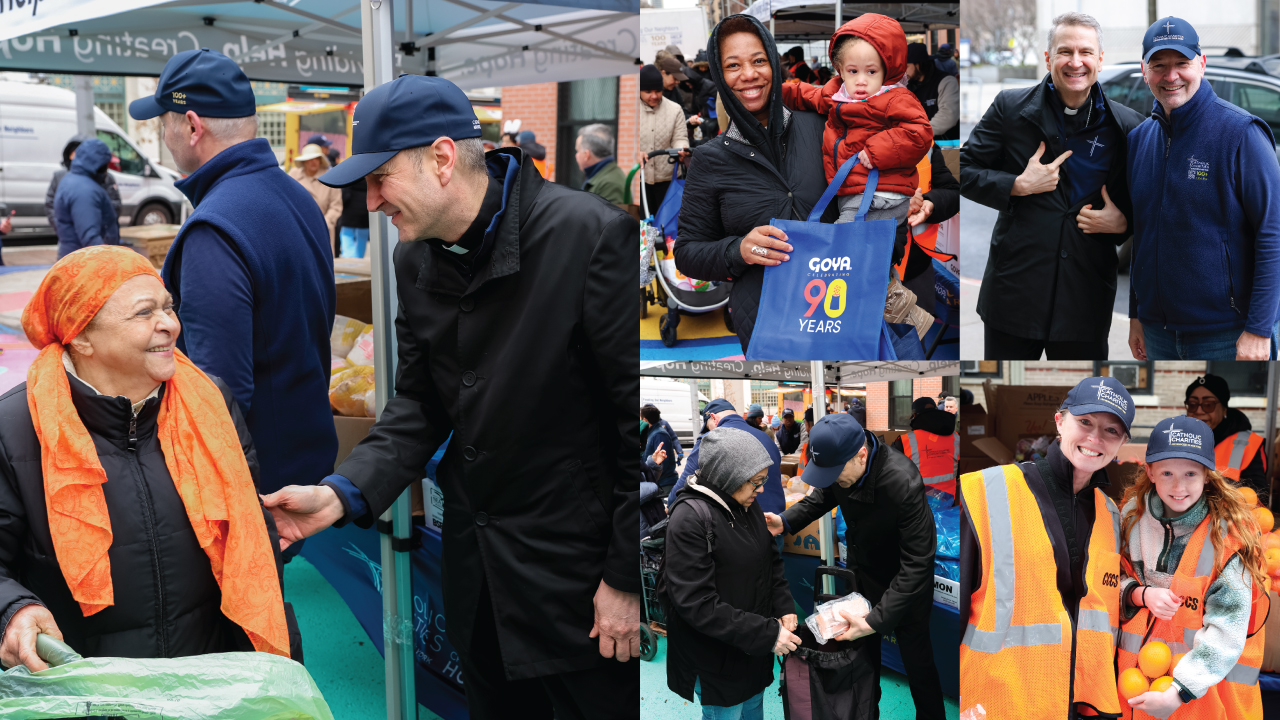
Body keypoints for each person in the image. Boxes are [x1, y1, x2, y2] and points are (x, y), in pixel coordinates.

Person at [259, 73, 639, 719]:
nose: (371, 201)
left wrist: (625, 580)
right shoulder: (414, 261)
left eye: (380, 179)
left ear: (440, 158)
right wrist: (342, 492)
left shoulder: (589, 236)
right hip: (479, 577)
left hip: (576, 581)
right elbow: (419, 404)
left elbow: (630, 426)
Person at [0, 246, 300, 672]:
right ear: (81, 335)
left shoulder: (210, 401)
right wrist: (12, 611)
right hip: (86, 689)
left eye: (169, 307)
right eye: (144, 313)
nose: (170, 326)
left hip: (210, 678)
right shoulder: (14, 427)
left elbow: (252, 535)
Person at [127, 48, 337, 498]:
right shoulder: (298, 197)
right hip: (303, 454)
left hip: (249, 483)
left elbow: (218, 388)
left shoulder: (215, 228)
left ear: (192, 125)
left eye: (164, 121)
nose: (164, 134)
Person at [961, 12, 1146, 359]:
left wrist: (1124, 224)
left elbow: (1149, 203)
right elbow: (962, 168)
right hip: (1014, 294)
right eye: (1064, 51)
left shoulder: (1128, 126)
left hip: (1085, 299)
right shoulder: (1009, 108)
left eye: (1086, 52)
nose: (1075, 62)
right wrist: (1016, 184)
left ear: (1100, 60)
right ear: (1048, 58)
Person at [958, 376, 1134, 718]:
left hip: (1080, 702)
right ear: (1059, 421)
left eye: (1111, 431)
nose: (1095, 438)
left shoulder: (1110, 513)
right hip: (999, 702)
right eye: (1085, 422)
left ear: (1122, 442)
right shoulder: (986, 491)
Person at [764, 413, 944, 719]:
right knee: (864, 661)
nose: (832, 479)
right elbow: (821, 497)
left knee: (919, 665)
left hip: (906, 587)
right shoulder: (842, 468)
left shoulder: (903, 481)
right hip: (865, 579)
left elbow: (917, 563)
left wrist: (875, 621)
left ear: (861, 455)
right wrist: (784, 521)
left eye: (834, 472)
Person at [674, 14, 834, 351]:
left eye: (759, 60)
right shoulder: (710, 159)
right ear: (719, 74)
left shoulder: (821, 127)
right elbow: (687, 253)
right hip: (765, 318)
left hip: (839, 308)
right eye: (733, 65)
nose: (749, 74)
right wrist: (738, 250)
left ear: (774, 65)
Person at [1127, 16, 1280, 362]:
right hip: (1157, 334)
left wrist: (1259, 329)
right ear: (1144, 70)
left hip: (1229, 334)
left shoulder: (1242, 134)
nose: (1171, 76)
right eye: (1159, 65)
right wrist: (1137, 313)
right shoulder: (1139, 141)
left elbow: (1273, 235)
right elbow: (1144, 233)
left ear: (1202, 63)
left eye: (1182, 63)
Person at [780, 15, 934, 336]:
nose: (861, 81)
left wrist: (877, 148)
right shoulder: (838, 94)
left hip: (882, 191)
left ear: (888, 70)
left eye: (871, 72)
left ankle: (878, 306)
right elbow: (807, 94)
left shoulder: (895, 97)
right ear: (840, 70)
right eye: (853, 72)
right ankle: (899, 302)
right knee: (866, 253)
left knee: (844, 245)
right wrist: (778, 92)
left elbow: (919, 133)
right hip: (859, 190)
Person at [1115, 415, 1267, 719]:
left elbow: (1228, 625)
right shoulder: (1131, 517)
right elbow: (1108, 579)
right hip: (1135, 688)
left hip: (1198, 695)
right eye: (1167, 472)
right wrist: (1138, 594)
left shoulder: (1228, 534)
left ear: (1207, 476)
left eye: (1190, 474)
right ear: (1150, 471)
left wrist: (1179, 691)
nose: (1178, 486)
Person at [664, 426, 798, 720]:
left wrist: (784, 605)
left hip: (752, 650)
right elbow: (697, 604)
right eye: (756, 482)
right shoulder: (690, 519)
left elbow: (770, 559)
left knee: (752, 709)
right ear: (729, 476)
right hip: (717, 659)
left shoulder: (744, 502)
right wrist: (767, 633)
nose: (761, 489)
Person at [666, 399, 783, 525]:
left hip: (743, 525)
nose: (710, 433)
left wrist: (669, 505)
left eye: (707, 427)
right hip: (776, 519)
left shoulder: (711, 441)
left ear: (713, 418)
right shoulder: (766, 437)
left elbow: (684, 484)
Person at [1184, 374, 1268, 505]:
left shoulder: (1247, 443)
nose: (1199, 410)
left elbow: (1259, 497)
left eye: (1208, 404)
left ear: (1224, 409)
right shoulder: (1177, 438)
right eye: (1192, 404)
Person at [45, 134, 122, 246]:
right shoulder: (85, 189)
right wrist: (106, 260)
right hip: (87, 257)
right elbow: (89, 236)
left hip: (76, 253)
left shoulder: (73, 180)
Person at [638, 64, 690, 213]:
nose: (654, 96)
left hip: (668, 179)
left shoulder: (675, 109)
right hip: (640, 180)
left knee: (666, 224)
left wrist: (681, 149)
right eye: (648, 92)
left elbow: (680, 137)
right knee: (644, 224)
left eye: (658, 91)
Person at [891, 397, 958, 488]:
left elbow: (893, 473)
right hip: (947, 498)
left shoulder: (904, 441)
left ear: (914, 415)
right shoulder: (956, 437)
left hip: (918, 499)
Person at [289, 143, 344, 250]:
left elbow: (336, 206)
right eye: (309, 159)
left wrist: (323, 223)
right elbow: (287, 203)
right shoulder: (293, 176)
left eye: (317, 158)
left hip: (323, 231)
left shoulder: (330, 177)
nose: (313, 162)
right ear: (304, 161)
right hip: (299, 231)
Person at [905, 42, 959, 143]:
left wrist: (919, 133)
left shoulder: (946, 81)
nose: (904, 70)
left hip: (945, 145)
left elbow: (948, 115)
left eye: (907, 66)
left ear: (918, 65)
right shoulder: (909, 85)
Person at [576, 124, 626, 205]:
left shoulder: (610, 184)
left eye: (577, 151)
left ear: (586, 155)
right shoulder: (599, 175)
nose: (576, 155)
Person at [642, 404, 679, 491]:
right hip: (655, 482)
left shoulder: (659, 434)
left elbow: (663, 463)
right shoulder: (650, 433)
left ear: (645, 420)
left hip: (663, 484)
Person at [337, 176, 370, 258]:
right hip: (365, 208)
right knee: (362, 235)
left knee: (347, 234)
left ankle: (349, 257)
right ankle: (359, 256)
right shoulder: (368, 174)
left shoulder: (351, 174)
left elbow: (346, 193)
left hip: (350, 210)